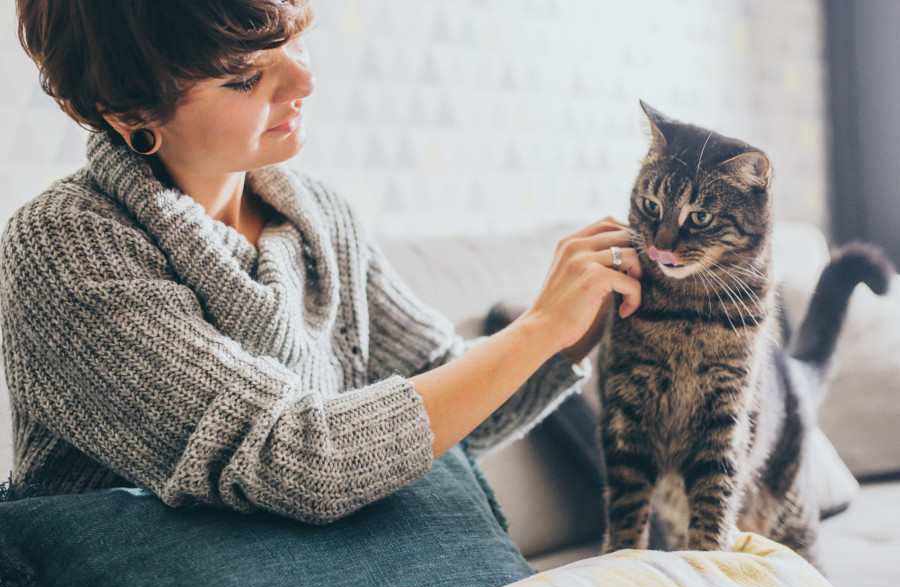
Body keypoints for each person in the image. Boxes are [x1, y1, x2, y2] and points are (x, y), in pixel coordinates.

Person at [4, 0, 639, 532]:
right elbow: (293, 460)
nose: (303, 81)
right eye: (244, 78)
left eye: (294, 39)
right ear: (131, 113)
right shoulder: (62, 245)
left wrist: (579, 319)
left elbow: (451, 408)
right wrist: (537, 330)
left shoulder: (319, 217)